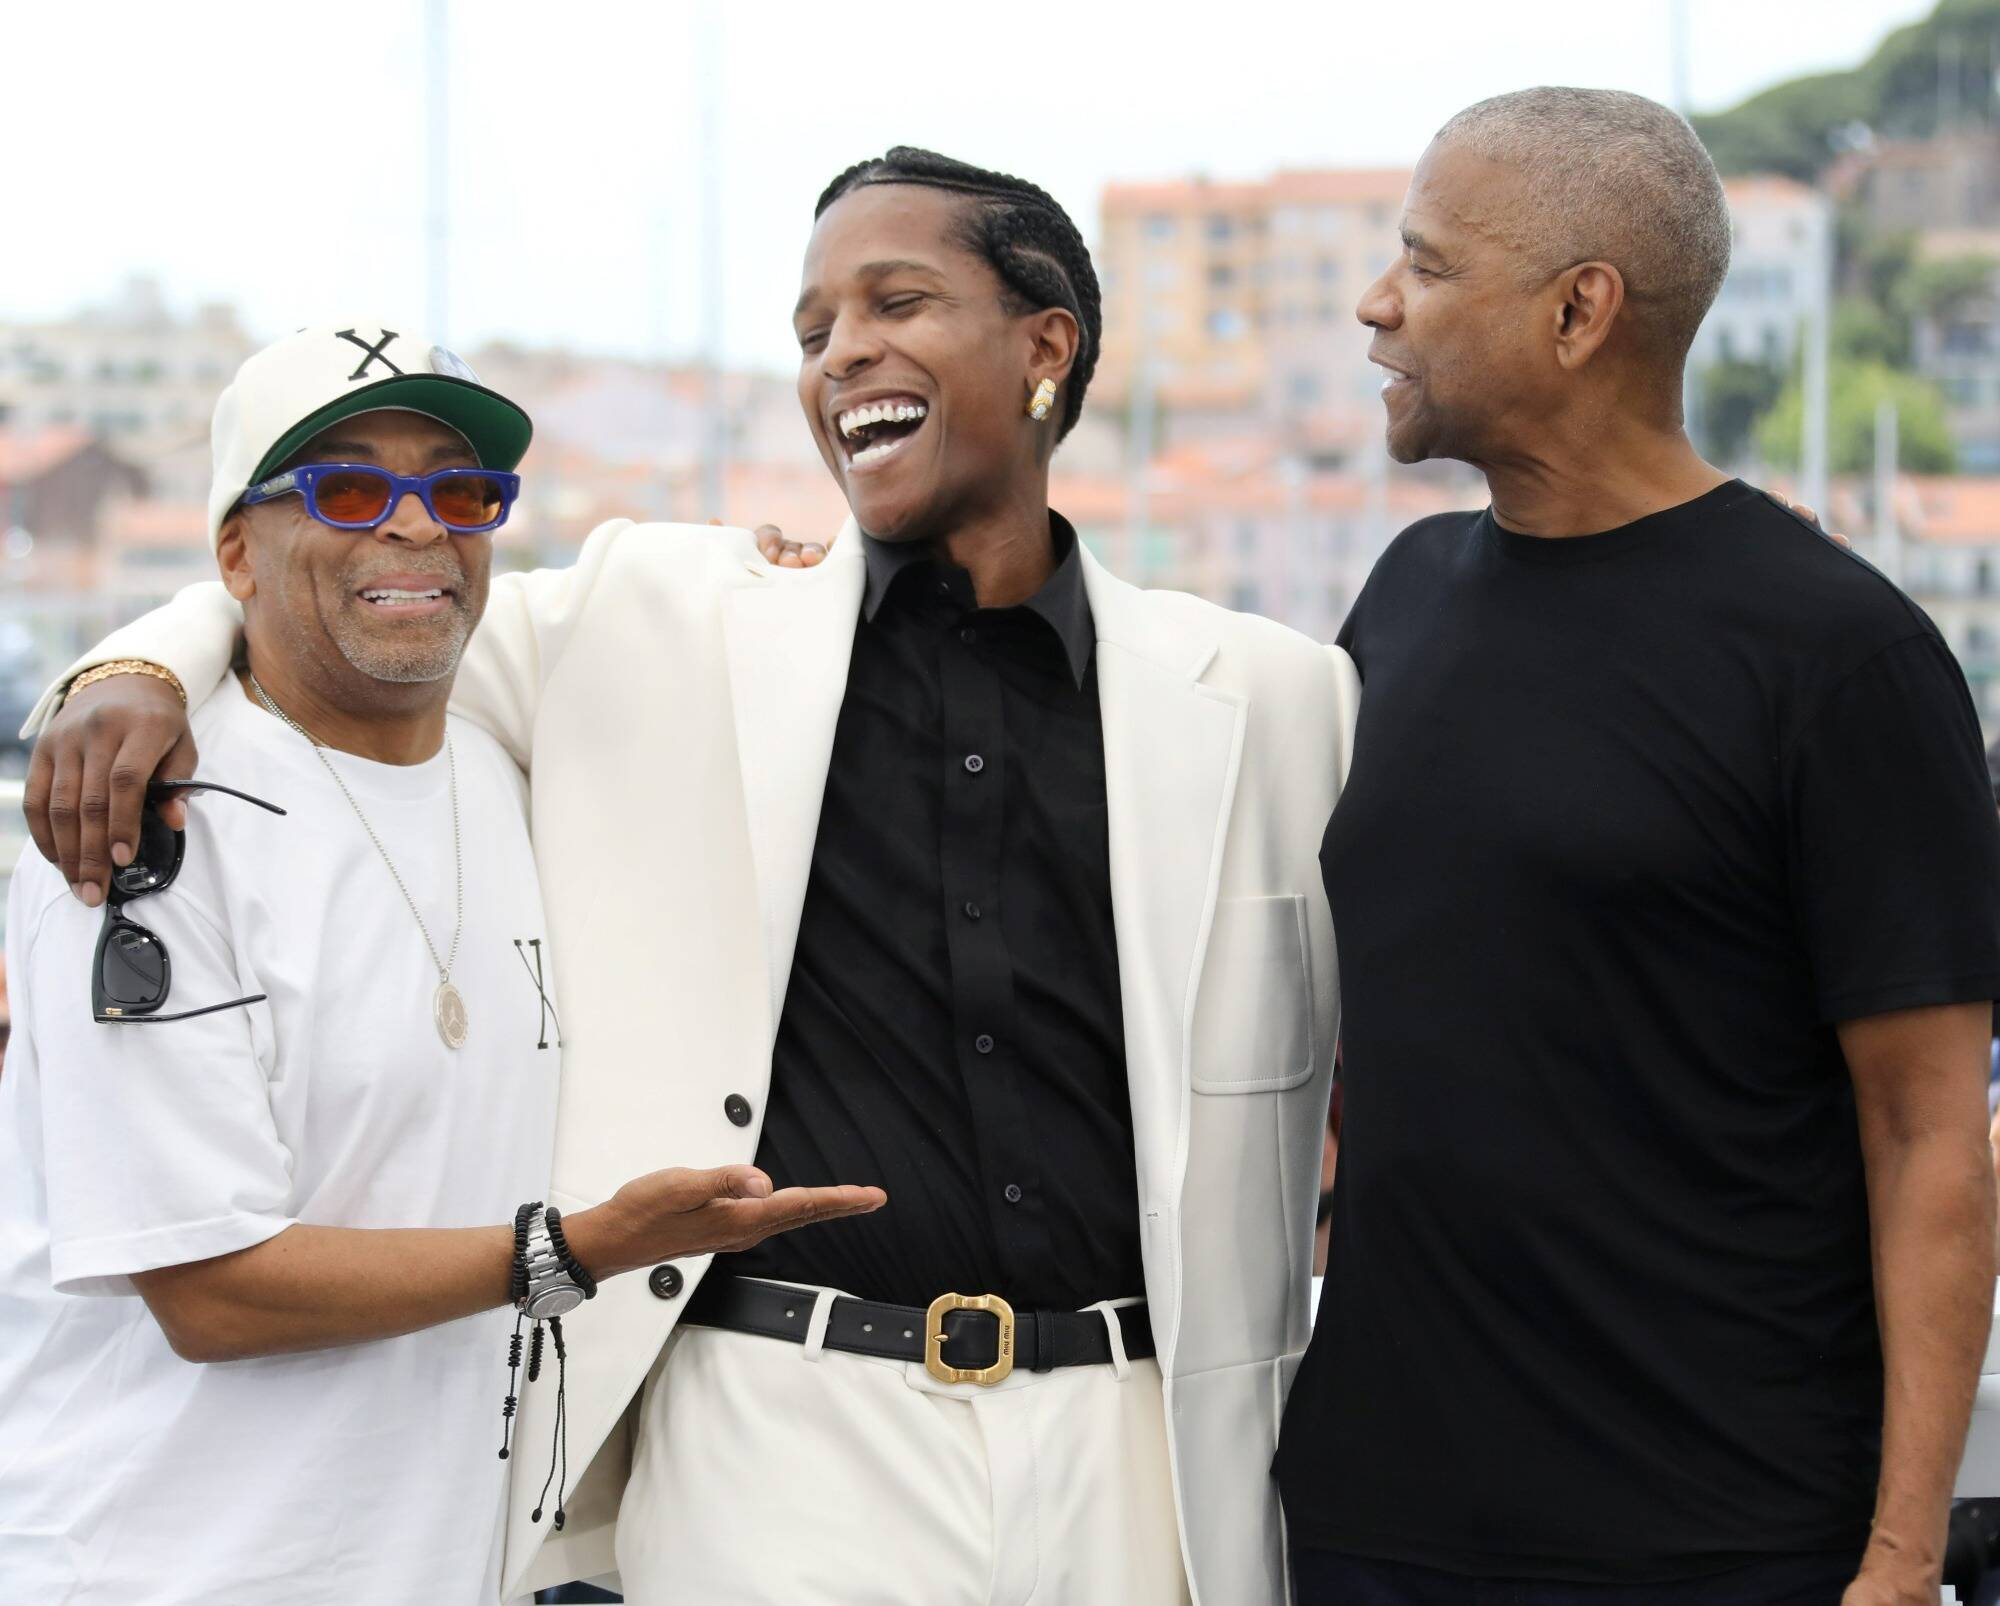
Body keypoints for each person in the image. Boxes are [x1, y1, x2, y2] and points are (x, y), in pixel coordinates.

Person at [20, 154, 1354, 1604]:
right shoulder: (656, 619)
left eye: (896, 302)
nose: (842, 351)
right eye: (812, 330)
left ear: (1046, 346)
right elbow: (359, 609)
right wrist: (135, 666)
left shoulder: (1278, 698)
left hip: (1144, 1457)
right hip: (774, 1447)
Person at [0, 327, 882, 1605]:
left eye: (460, 491)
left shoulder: (508, 769)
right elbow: (207, 1290)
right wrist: (579, 1247)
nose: (414, 524)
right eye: (347, 487)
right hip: (156, 1565)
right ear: (235, 552)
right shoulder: (142, 826)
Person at [1275, 88, 2000, 1606]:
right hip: (1375, 1527)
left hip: (1719, 1543)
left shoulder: (1840, 656)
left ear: (1577, 311)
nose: (1377, 303)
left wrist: (1900, 1559)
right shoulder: (1402, 596)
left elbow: (1929, 1133)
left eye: (1426, 262)